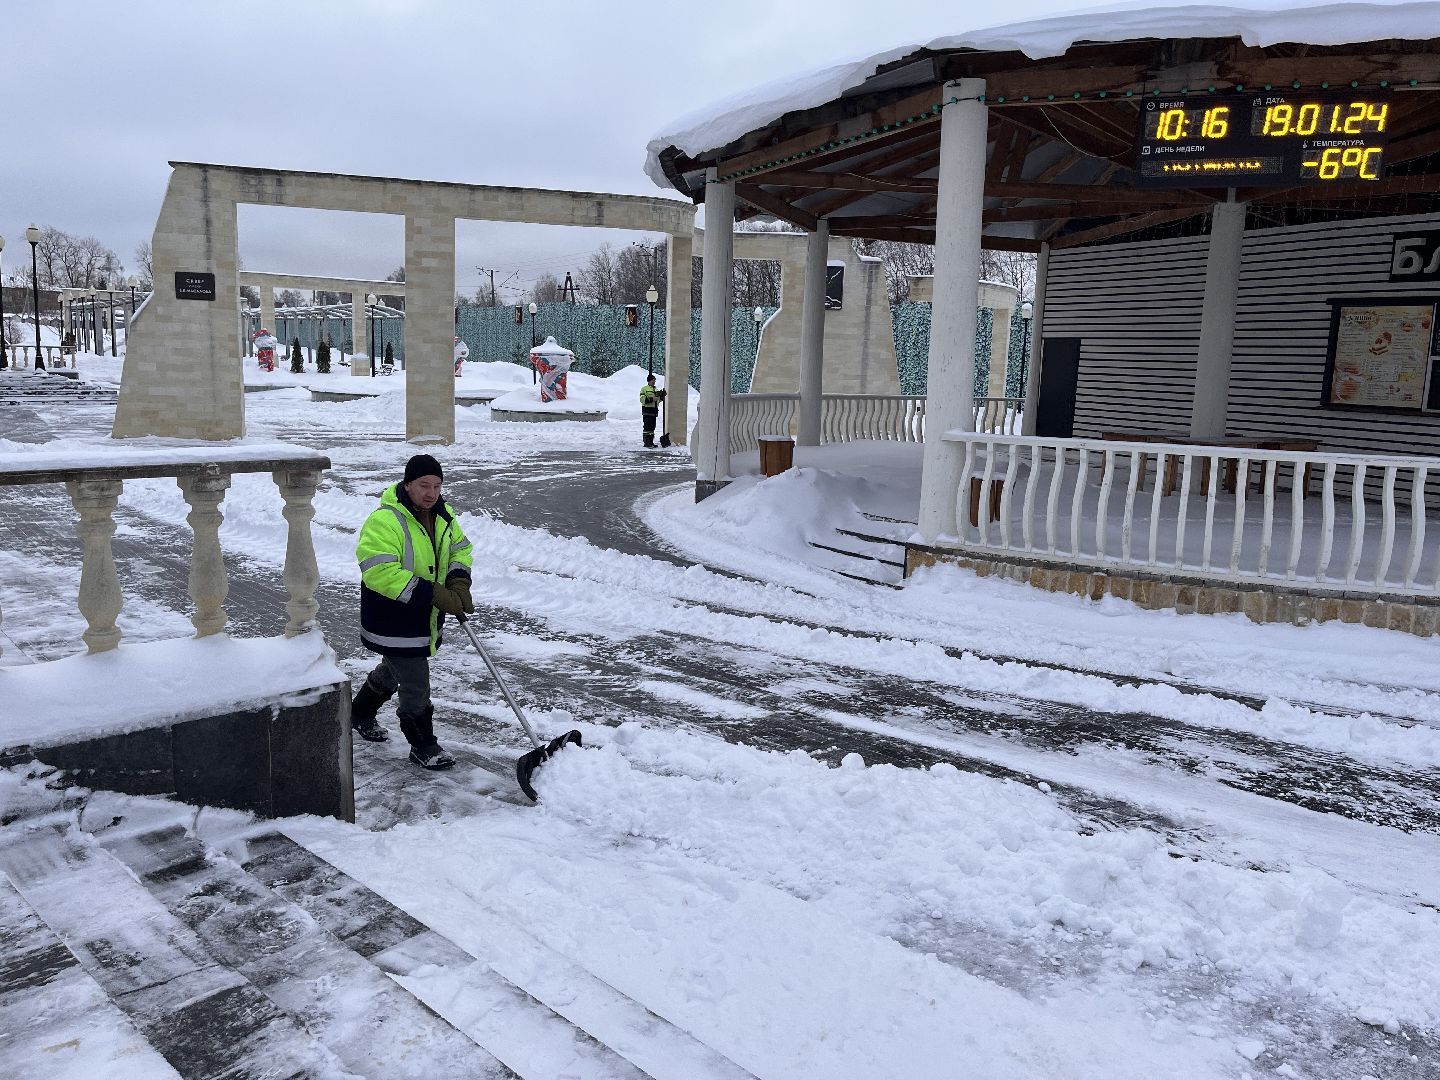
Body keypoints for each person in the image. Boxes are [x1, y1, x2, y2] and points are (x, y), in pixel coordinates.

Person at [350, 454, 475, 769]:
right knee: (415, 679)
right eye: (423, 485)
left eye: (436, 485)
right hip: (394, 616)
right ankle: (422, 744)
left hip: (424, 616)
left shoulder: (444, 516)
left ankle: (360, 711)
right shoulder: (385, 520)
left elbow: (461, 548)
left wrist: (458, 583)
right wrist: (433, 593)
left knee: (395, 668)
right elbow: (378, 571)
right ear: (407, 484)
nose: (431, 492)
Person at [639, 372, 666, 447]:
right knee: (647, 427)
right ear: (649, 381)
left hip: (654, 411)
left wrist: (661, 398)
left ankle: (651, 442)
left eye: (654, 380)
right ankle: (646, 442)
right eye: (652, 380)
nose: (654, 382)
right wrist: (652, 399)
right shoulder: (644, 389)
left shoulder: (655, 389)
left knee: (652, 427)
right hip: (647, 411)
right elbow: (642, 399)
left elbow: (657, 401)